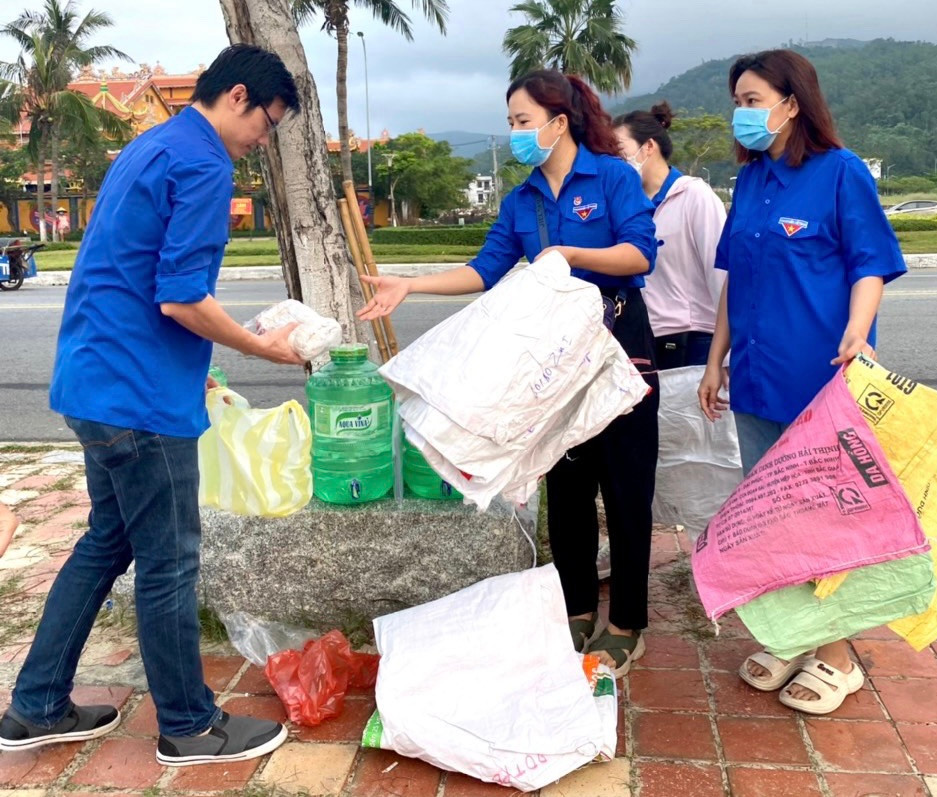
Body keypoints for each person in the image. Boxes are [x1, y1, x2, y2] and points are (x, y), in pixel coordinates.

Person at [0, 44, 304, 765]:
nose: (265, 138)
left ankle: (37, 704)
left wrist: (186, 362)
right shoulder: (204, 163)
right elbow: (179, 296)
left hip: (95, 379)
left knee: (107, 541)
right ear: (238, 96)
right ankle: (190, 726)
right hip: (139, 401)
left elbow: (126, 272)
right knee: (169, 561)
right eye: (268, 121)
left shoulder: (151, 146)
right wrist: (266, 349)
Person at [359, 69, 659, 678]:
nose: (517, 133)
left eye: (523, 122)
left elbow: (639, 253)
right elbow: (486, 268)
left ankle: (627, 623)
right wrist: (410, 284)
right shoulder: (521, 199)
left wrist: (572, 254)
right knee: (567, 492)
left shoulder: (612, 177)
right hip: (551, 366)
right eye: (511, 123)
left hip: (618, 349)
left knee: (626, 493)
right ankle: (576, 608)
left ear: (559, 121)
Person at [697, 49, 906, 714]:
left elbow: (870, 260)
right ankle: (794, 636)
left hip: (823, 382)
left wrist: (858, 329)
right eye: (739, 100)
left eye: (754, 99)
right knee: (774, 520)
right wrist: (715, 357)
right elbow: (736, 276)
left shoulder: (840, 173)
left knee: (829, 519)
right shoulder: (752, 180)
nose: (743, 112)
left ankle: (838, 657)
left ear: (793, 104)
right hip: (757, 381)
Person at [613, 102, 727, 370]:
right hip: (640, 339)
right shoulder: (626, 206)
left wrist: (725, 356)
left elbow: (721, 275)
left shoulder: (693, 196)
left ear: (649, 147)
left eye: (620, 153)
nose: (615, 163)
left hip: (692, 342)